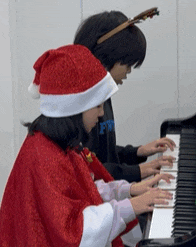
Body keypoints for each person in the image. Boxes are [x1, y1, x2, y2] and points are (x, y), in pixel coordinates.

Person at [0, 44, 173, 247]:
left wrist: (128, 190)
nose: (101, 114)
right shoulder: (44, 156)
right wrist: (131, 206)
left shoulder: (57, 144)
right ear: (75, 107)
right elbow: (72, 232)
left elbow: (85, 191)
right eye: (97, 105)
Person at [73, 10, 175, 183]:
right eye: (127, 64)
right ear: (107, 55)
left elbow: (103, 154)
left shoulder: (103, 93)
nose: (128, 71)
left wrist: (137, 152)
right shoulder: (81, 103)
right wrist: (138, 171)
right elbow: (88, 168)